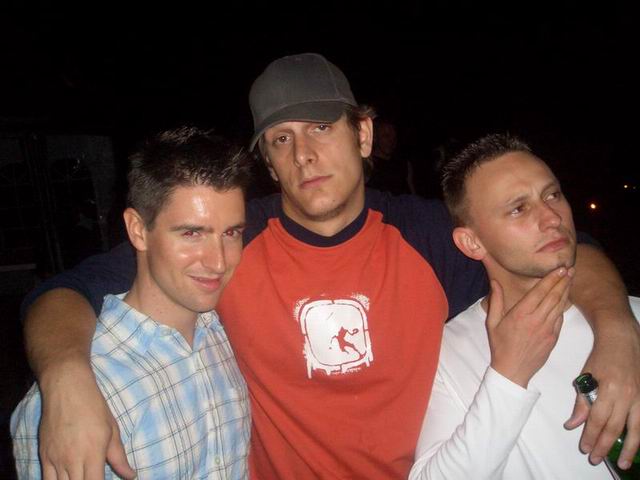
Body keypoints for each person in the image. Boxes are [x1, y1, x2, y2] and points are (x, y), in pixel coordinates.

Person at [21, 53, 640, 479]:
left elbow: (561, 249)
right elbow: (67, 292)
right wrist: (66, 378)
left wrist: (616, 330)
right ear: (267, 161)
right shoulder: (230, 241)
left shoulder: (424, 237)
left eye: (321, 126)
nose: (305, 154)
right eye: (281, 138)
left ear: (363, 135)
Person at [13, 127, 252, 479]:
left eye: (231, 233)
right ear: (138, 230)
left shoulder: (225, 335)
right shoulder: (80, 396)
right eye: (191, 233)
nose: (218, 261)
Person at [409, 134, 640, 479]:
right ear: (471, 242)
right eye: (518, 208)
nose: (552, 218)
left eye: (552, 195)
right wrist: (508, 377)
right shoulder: (447, 355)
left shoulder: (631, 319)